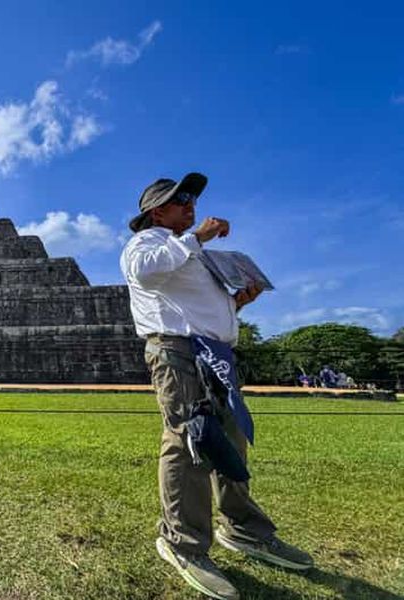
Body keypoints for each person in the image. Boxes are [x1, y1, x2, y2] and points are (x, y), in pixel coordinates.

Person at [120, 173, 313, 600]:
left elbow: (197, 307)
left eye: (193, 199)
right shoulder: (147, 244)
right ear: (157, 212)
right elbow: (143, 273)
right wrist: (198, 238)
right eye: (181, 200)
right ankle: (182, 542)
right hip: (179, 353)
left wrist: (236, 303)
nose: (191, 205)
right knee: (189, 442)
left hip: (215, 355)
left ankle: (243, 529)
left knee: (230, 442)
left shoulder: (187, 253)